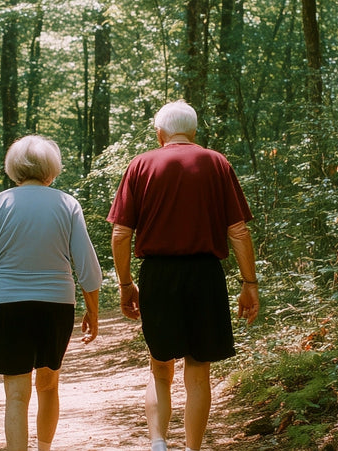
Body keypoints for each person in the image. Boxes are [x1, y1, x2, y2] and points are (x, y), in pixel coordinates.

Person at [107, 100, 260, 451]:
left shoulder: (141, 164)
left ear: (160, 133)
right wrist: (249, 284)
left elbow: (120, 233)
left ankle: (158, 441)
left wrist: (127, 284)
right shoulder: (216, 162)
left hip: (158, 275)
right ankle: (192, 448)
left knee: (160, 368)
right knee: (198, 369)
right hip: (205, 276)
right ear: (193, 132)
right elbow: (238, 231)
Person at [0, 135, 103, 451]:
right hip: (56, 306)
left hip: (7, 305)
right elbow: (88, 269)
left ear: (14, 169)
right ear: (51, 170)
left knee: (15, 393)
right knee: (49, 385)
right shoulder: (68, 204)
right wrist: (92, 310)